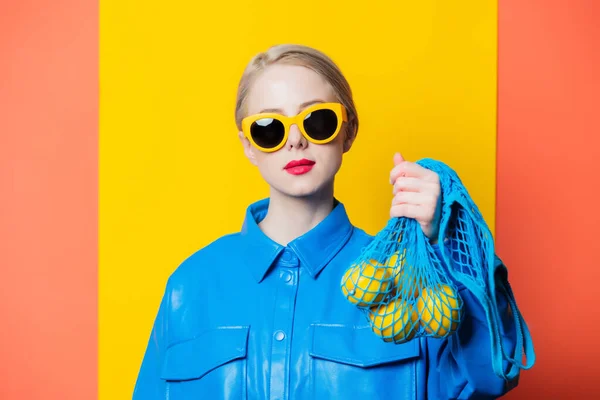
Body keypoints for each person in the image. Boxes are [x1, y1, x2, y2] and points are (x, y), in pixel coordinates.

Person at [133, 44, 520, 399]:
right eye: (269, 129)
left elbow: (490, 377)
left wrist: (451, 242)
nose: (295, 140)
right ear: (249, 146)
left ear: (348, 130)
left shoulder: (406, 278)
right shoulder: (191, 284)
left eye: (317, 120)